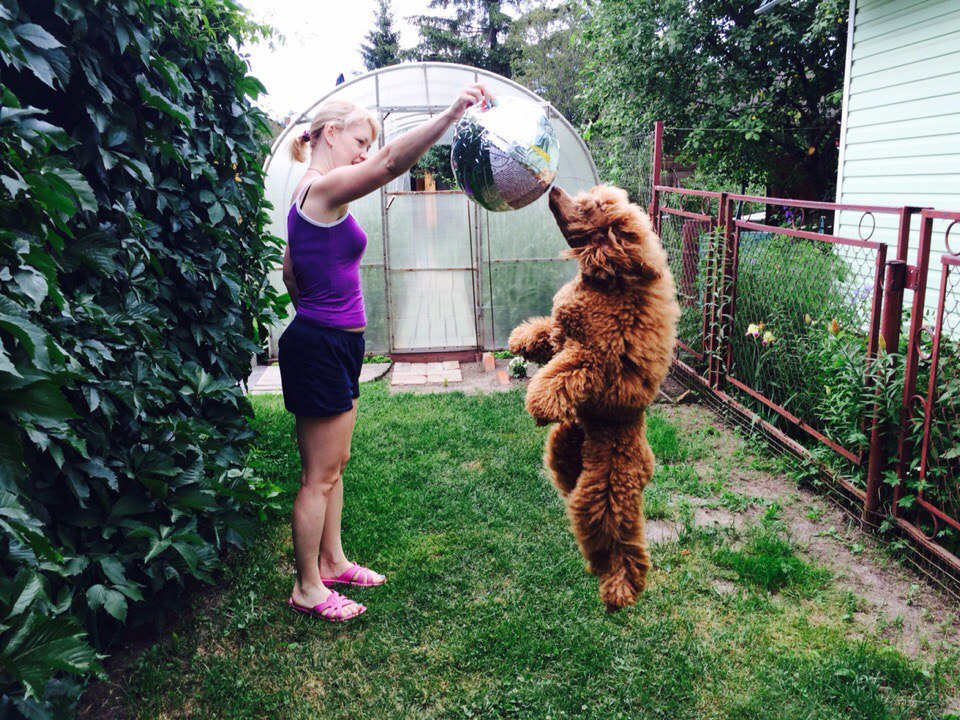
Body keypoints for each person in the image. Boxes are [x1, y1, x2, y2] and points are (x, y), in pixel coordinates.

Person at [280, 83, 494, 622]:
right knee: (317, 477)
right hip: (323, 343)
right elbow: (391, 164)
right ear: (330, 133)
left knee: (335, 465)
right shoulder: (321, 188)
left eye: (367, 145)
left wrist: (321, 321)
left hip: (332, 341)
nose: (363, 153)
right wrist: (451, 114)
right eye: (359, 142)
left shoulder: (311, 196)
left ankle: (332, 561)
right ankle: (307, 587)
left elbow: (290, 271)